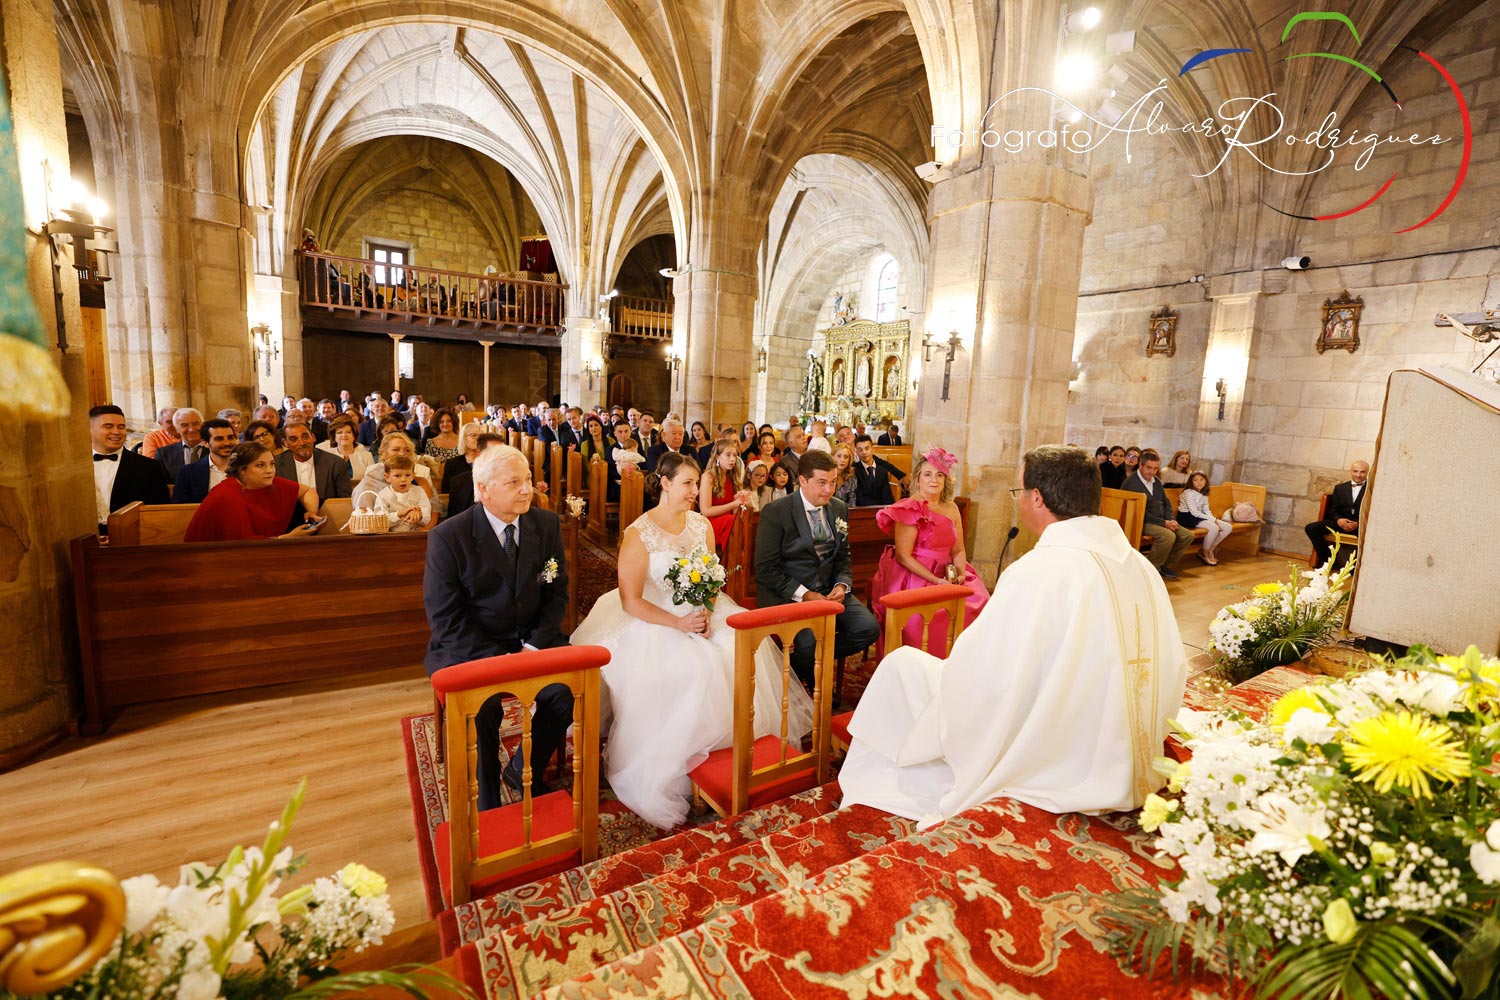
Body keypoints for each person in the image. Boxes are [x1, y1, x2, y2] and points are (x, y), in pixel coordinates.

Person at [840, 444, 1187, 826]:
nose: (1019, 499)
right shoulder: (1139, 564)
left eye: (1019, 490)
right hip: (1118, 732)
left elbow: (986, 676)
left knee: (899, 665)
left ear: (1037, 498)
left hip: (1060, 742)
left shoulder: (1040, 570)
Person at [571, 452, 813, 828]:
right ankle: (678, 765)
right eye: (687, 484)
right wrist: (678, 623)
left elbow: (712, 576)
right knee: (690, 669)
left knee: (739, 651)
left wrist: (706, 611)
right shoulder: (639, 533)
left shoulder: (701, 526)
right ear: (665, 483)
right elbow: (630, 600)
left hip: (699, 611)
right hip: (652, 618)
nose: (695, 492)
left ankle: (733, 755)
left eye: (697, 484)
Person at [423, 445, 573, 808]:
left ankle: (525, 768)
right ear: (484, 489)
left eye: (527, 480)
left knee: (566, 691)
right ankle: (488, 802)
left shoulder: (546, 524)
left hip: (534, 643)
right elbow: (446, 621)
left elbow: (557, 594)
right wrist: (503, 659)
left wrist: (533, 648)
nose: (527, 490)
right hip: (471, 649)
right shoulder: (449, 537)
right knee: (483, 707)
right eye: (514, 483)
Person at [753, 449, 880, 691]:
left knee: (868, 629)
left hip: (829, 591)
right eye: (821, 483)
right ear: (802, 480)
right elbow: (766, 569)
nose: (829, 490)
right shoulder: (777, 512)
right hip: (790, 595)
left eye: (833, 482)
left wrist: (842, 584)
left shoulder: (838, 508)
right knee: (808, 643)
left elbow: (843, 557)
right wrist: (805, 595)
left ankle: (802, 668)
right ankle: (807, 680)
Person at [868, 446, 990, 655]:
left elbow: (958, 549)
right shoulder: (909, 507)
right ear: (917, 479)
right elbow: (903, 556)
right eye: (928, 474)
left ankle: (958, 665)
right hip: (915, 573)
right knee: (924, 616)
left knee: (980, 601)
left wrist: (960, 574)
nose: (934, 480)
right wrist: (937, 582)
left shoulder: (951, 508)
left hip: (947, 571)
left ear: (945, 480)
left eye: (939, 475)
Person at [184, 442, 322, 542]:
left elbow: (308, 491)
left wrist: (311, 512)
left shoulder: (271, 483)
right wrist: (288, 538)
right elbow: (242, 546)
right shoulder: (226, 495)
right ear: (242, 470)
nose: (270, 470)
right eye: (260, 465)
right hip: (217, 560)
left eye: (272, 464)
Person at [89, 405, 169, 526]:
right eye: (108, 426)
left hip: (132, 536)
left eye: (121, 427)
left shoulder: (149, 467)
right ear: (89, 429)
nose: (116, 432)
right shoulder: (74, 469)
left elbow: (159, 512)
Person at [1123, 448, 1194, 580]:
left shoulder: (1155, 481)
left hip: (1161, 520)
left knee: (1187, 535)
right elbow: (1140, 512)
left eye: (1155, 468)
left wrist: (1170, 520)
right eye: (1149, 468)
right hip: (1141, 521)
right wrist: (1164, 523)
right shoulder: (1132, 483)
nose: (1152, 472)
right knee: (1167, 536)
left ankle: (1165, 565)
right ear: (1141, 465)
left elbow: (1166, 502)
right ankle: (1150, 570)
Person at [1305, 460, 1369, 569]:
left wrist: (1358, 523)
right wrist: (1339, 520)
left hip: (1361, 526)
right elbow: (1333, 509)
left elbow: (1372, 513)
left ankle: (1357, 568)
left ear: (1367, 473)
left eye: (1362, 472)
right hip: (1340, 522)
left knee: (1370, 539)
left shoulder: (1372, 490)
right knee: (1311, 528)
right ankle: (1327, 561)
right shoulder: (1340, 488)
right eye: (1355, 471)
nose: (1358, 475)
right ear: (1351, 471)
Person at [275, 419, 352, 503]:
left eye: (305, 437)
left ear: (313, 437)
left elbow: (345, 501)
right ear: (286, 443)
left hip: (326, 514)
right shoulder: (276, 465)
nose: (301, 442)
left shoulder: (335, 463)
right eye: (294, 439)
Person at [699, 439, 753, 548]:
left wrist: (740, 499)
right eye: (728, 455)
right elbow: (705, 511)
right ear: (718, 456)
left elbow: (732, 511)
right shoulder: (708, 476)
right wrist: (734, 503)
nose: (732, 459)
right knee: (732, 521)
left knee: (745, 519)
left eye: (734, 455)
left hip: (728, 521)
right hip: (710, 523)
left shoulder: (731, 476)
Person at [354, 431, 435, 503]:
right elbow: (364, 510)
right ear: (383, 453)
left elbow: (433, 508)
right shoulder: (372, 479)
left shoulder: (421, 480)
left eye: (407, 450)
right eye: (396, 449)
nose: (402, 454)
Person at [173, 418, 239, 504]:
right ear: (205, 443)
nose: (227, 443)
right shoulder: (188, 473)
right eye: (219, 439)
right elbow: (180, 508)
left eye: (230, 438)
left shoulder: (247, 466)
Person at [1178, 471, 1232, 565]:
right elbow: (1194, 512)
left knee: (1228, 527)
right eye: (1195, 480)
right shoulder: (1188, 493)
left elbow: (1206, 510)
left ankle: (1209, 549)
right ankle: (1205, 552)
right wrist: (1213, 521)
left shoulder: (1203, 493)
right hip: (1187, 516)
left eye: (1201, 479)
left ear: (1206, 481)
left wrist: (1213, 519)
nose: (1199, 482)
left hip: (1199, 515)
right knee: (1214, 528)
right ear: (1191, 482)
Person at [446, 433, 507, 517]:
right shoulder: (459, 482)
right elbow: (453, 519)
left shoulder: (512, 482)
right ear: (479, 455)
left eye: (503, 453)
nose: (499, 457)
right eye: (494, 453)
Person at [376, 454, 431, 531]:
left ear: (413, 476)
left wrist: (419, 515)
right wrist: (399, 514)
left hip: (415, 535)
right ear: (387, 477)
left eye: (408, 475)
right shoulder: (383, 495)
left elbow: (426, 518)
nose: (403, 479)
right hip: (391, 538)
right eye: (397, 476)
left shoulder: (419, 491)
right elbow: (380, 521)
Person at [852, 434, 907, 505]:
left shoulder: (882, 471)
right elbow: (858, 498)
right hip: (863, 510)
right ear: (856, 452)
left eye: (867, 448)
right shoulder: (854, 471)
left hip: (881, 510)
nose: (864, 452)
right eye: (860, 450)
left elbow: (887, 497)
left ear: (872, 449)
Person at [317, 415, 374, 483]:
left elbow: (373, 481)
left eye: (348, 432)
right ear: (334, 436)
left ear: (354, 435)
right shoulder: (327, 458)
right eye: (339, 432)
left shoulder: (367, 456)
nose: (344, 435)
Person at [156, 408, 206, 484]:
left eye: (196, 424)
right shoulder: (164, 454)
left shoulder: (216, 449)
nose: (191, 429)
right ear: (177, 429)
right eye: (184, 425)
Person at [441, 421, 485, 494]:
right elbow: (446, 490)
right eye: (473, 435)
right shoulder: (452, 464)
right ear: (464, 438)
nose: (478, 439)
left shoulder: (488, 461)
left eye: (480, 436)